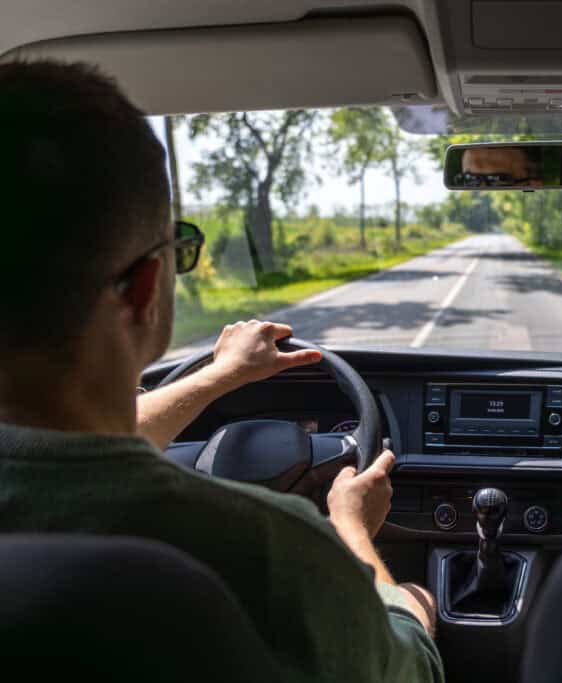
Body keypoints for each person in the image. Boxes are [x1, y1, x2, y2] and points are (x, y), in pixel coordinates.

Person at [0, 61, 442, 681]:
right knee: (414, 603)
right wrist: (352, 533)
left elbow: (66, 447)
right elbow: (412, 673)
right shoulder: (273, 552)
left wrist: (222, 375)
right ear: (145, 287)